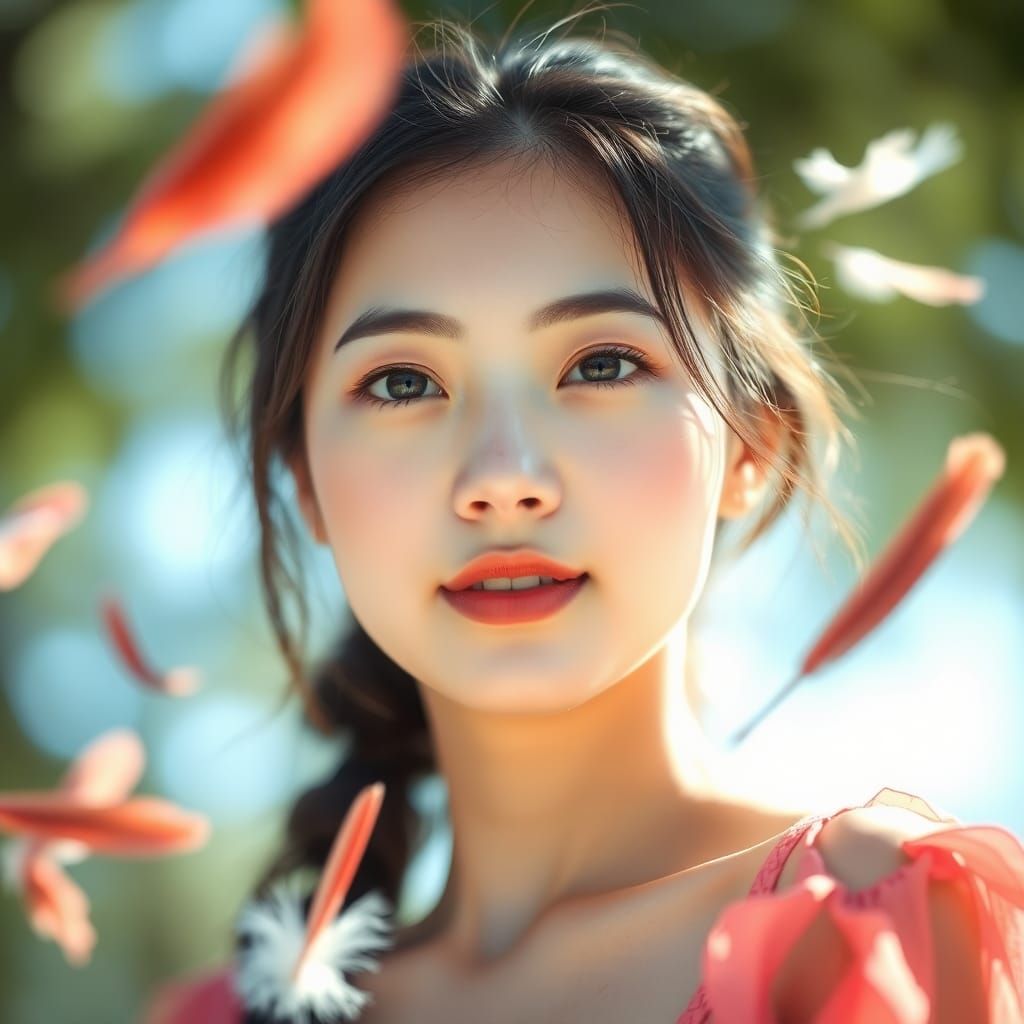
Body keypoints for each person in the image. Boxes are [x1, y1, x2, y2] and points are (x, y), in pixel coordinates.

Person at [145, 10, 1024, 1024]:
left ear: (750, 443)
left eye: (601, 364)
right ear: (307, 483)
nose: (503, 478)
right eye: (400, 382)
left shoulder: (873, 927)